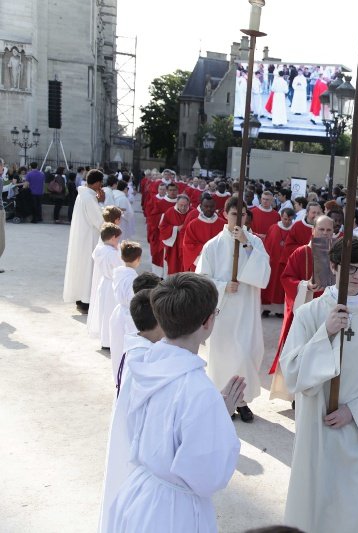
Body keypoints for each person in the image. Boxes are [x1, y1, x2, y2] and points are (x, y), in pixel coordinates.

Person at [98, 273, 244, 533]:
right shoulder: (200, 391)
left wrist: (213, 415)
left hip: (138, 495)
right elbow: (208, 476)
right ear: (208, 322)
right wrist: (219, 419)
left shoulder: (146, 363)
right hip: (174, 514)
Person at [280, 237, 358, 533]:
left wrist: (354, 411)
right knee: (318, 504)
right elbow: (292, 372)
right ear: (334, 267)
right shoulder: (310, 314)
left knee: (355, 508)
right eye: (351, 269)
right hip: (319, 428)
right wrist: (327, 332)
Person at [196, 196, 271, 422]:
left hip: (246, 309)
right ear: (225, 215)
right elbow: (202, 279)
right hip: (224, 311)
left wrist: (246, 242)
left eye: (244, 214)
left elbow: (263, 273)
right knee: (223, 356)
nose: (240, 218)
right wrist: (222, 286)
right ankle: (224, 400)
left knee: (246, 354)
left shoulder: (255, 242)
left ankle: (242, 401)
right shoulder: (213, 245)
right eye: (235, 214)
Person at [269, 215, 335, 400]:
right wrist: (304, 286)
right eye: (321, 229)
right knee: (302, 352)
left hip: (328, 314)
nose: (325, 233)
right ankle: (296, 395)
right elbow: (286, 278)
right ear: (313, 231)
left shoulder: (338, 255)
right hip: (305, 310)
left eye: (329, 230)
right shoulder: (300, 253)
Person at [63, 169, 105, 312]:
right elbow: (99, 221)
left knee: (82, 268)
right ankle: (86, 301)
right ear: (98, 183)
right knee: (88, 268)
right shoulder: (88, 197)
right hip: (89, 239)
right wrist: (102, 204)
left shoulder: (83, 195)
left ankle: (81, 299)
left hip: (83, 237)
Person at [108, 241, 143, 381]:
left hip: (118, 314)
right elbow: (133, 298)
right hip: (130, 316)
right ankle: (125, 380)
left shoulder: (118, 273)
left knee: (117, 349)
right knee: (129, 351)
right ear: (138, 259)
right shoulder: (134, 279)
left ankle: (118, 377)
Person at [88, 224, 124, 349]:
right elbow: (121, 265)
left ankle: (104, 340)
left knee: (103, 312)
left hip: (104, 283)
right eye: (118, 239)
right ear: (113, 238)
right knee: (111, 313)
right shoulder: (113, 254)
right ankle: (110, 341)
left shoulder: (99, 249)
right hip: (113, 284)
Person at [181, 195, 226, 272]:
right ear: (201, 207)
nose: (209, 209)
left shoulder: (223, 224)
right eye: (206, 206)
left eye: (211, 206)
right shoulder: (192, 224)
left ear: (215, 207)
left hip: (218, 262)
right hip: (198, 261)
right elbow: (188, 244)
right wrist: (206, 249)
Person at [263, 207, 296, 312]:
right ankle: (267, 309)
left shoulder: (294, 231)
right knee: (270, 285)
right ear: (281, 217)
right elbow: (267, 244)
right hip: (273, 262)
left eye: (289, 220)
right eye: (285, 219)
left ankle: (279, 311)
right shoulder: (273, 227)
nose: (287, 222)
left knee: (281, 289)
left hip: (285, 264)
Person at [158, 194, 191, 275]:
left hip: (187, 244)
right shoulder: (170, 212)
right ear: (177, 203)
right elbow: (162, 227)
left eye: (185, 205)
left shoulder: (192, 212)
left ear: (189, 204)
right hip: (174, 245)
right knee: (174, 265)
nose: (183, 208)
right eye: (181, 205)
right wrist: (176, 228)